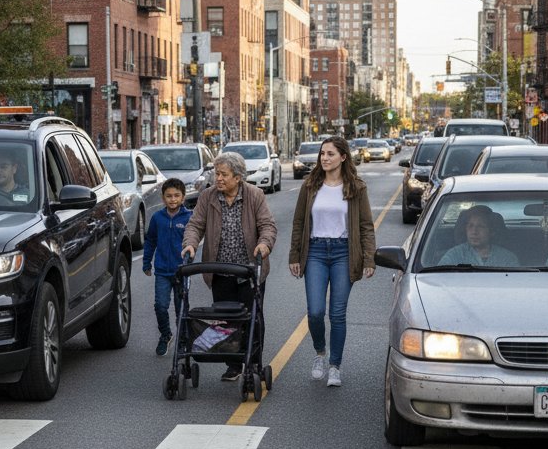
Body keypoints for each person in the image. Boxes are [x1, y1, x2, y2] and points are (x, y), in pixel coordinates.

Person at [181, 151, 277, 382]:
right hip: (220, 271)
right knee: (227, 319)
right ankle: (234, 364)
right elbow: (195, 224)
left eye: (223, 174)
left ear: (238, 177)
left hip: (249, 271)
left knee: (252, 318)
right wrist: (190, 245)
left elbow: (267, 226)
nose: (219, 179)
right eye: (217, 174)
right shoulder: (208, 196)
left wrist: (264, 244)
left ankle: (253, 362)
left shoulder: (254, 195)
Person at [288, 136, 375, 388]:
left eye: (330, 154)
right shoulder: (310, 185)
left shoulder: (356, 187)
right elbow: (298, 223)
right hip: (314, 251)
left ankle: (335, 366)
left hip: (343, 253)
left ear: (343, 157)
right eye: (322, 154)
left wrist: (369, 258)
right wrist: (295, 255)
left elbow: (366, 226)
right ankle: (320, 353)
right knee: (315, 311)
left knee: (337, 313)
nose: (324, 158)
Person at [143, 178, 192, 357]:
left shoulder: (189, 217)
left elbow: (194, 241)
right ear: (163, 198)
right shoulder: (157, 218)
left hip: (183, 271)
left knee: (182, 308)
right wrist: (146, 262)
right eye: (169, 196)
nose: (173, 199)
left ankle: (183, 340)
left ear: (183, 197)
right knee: (160, 306)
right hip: (162, 271)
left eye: (176, 196)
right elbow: (150, 241)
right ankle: (166, 335)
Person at [437, 205, 519, 268]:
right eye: (470, 226)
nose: (474, 231)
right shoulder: (454, 255)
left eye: (480, 226)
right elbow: (439, 279)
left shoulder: (507, 258)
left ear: (491, 231)